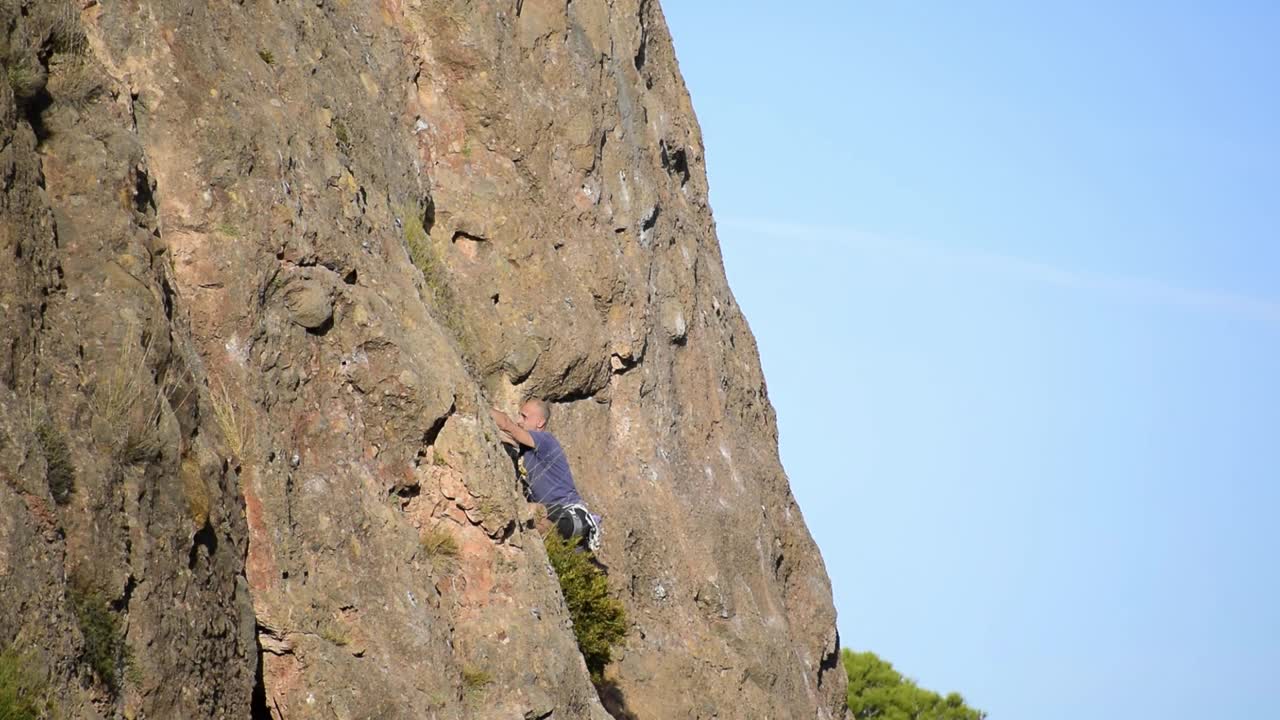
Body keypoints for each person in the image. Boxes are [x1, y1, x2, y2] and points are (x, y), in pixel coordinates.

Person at [490, 399, 600, 551]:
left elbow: (508, 426)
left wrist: (475, 402)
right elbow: (503, 434)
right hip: (561, 525)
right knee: (531, 521)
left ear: (540, 423)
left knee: (532, 515)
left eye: (524, 416)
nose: (519, 421)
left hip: (571, 514)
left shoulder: (546, 441)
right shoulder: (525, 447)